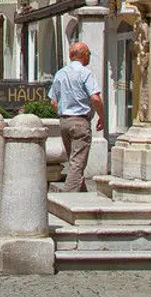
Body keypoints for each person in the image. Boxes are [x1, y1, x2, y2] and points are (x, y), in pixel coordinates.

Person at [48, 42, 104, 193]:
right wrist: (102, 116)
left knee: (74, 161)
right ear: (84, 54)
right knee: (77, 163)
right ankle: (69, 198)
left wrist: (63, 112)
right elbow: (95, 98)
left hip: (64, 121)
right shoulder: (85, 73)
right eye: (89, 54)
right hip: (80, 121)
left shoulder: (60, 74)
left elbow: (53, 101)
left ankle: (82, 193)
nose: (89, 57)